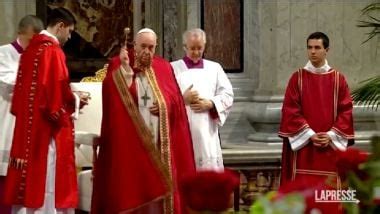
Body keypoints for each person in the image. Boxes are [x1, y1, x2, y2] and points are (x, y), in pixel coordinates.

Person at [91, 28, 195, 213]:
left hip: (159, 140)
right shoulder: (119, 62)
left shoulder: (164, 67)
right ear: (135, 46)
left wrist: (165, 106)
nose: (147, 52)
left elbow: (175, 99)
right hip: (132, 142)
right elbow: (113, 97)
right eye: (143, 47)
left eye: (151, 47)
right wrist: (126, 71)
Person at [3, 8, 86, 214]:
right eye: (69, 31)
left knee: (29, 185)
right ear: (60, 26)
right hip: (46, 134)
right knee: (47, 184)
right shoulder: (53, 51)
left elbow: (24, 95)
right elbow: (54, 96)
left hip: (27, 131)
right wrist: (76, 100)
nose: (69, 36)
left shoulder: (30, 50)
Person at [278, 32, 354, 212]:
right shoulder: (297, 78)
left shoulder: (338, 79)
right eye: (309, 47)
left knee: (330, 198)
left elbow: (346, 111)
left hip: (330, 147)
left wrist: (330, 135)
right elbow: (290, 110)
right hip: (304, 148)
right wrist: (311, 135)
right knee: (302, 197)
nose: (312, 52)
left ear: (326, 50)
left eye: (317, 48)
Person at [171, 28, 233, 171]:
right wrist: (182, 99)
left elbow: (228, 94)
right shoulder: (173, 68)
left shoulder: (214, 68)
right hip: (182, 129)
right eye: (192, 48)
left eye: (200, 48)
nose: (196, 52)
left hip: (207, 131)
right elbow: (165, 97)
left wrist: (211, 103)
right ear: (184, 47)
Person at [0, 14, 44, 214]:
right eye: (30, 40)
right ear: (20, 33)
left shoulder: (40, 57)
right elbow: (9, 82)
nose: (33, 45)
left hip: (30, 127)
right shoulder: (3, 54)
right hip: (7, 123)